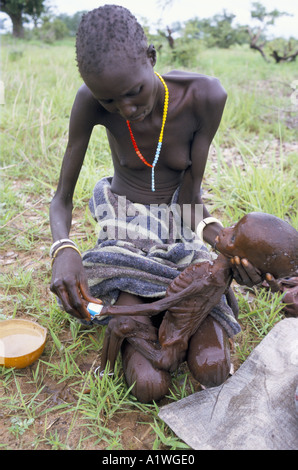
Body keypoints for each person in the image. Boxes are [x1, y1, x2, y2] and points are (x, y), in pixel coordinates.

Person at [49, 5, 264, 403]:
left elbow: (191, 199)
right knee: (148, 385)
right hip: (124, 222)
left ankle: (162, 310)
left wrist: (228, 244)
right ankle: (145, 308)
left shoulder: (204, 96)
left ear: (151, 57)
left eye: (133, 92)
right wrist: (64, 249)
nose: (126, 110)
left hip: (179, 221)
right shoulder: (89, 101)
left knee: (213, 366)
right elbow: (61, 199)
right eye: (110, 102)